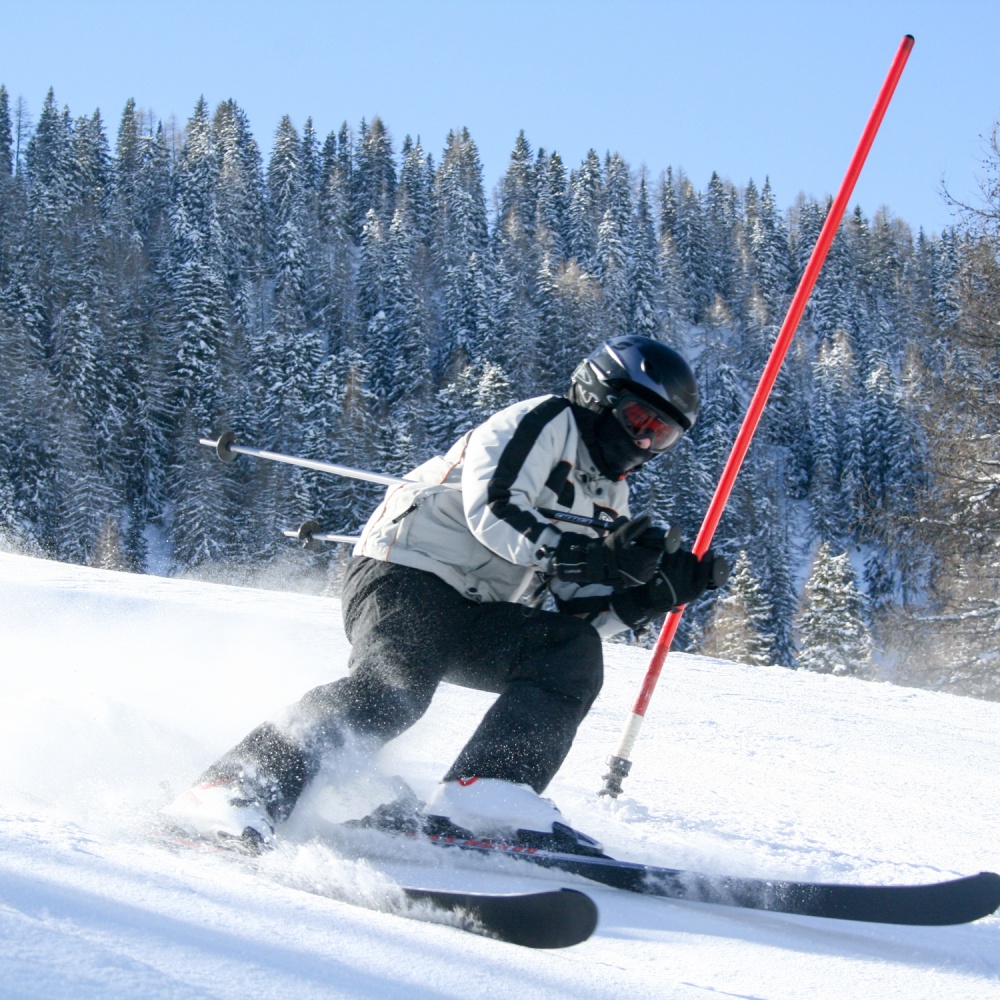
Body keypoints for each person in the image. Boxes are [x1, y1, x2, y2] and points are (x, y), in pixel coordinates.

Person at [162, 334, 726, 852]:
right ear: (599, 393)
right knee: (396, 685)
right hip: (406, 570)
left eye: (662, 435)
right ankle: (230, 789)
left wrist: (643, 596)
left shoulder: (610, 496)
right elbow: (494, 511)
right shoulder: (545, 421)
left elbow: (577, 614)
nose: (644, 441)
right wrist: (592, 554)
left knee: (571, 654)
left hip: (477, 612)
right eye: (637, 419)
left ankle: (483, 798)